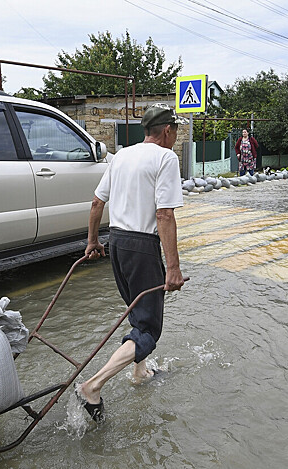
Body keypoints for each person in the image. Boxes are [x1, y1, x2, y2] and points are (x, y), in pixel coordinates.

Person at [76, 103, 187, 422]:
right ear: (167, 131)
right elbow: (164, 214)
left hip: (118, 243)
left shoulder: (121, 154)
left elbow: (98, 202)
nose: (176, 136)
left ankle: (141, 373)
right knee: (150, 329)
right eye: (176, 130)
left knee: (138, 316)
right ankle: (93, 386)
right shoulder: (166, 158)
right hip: (141, 246)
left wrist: (93, 241)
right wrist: (174, 267)